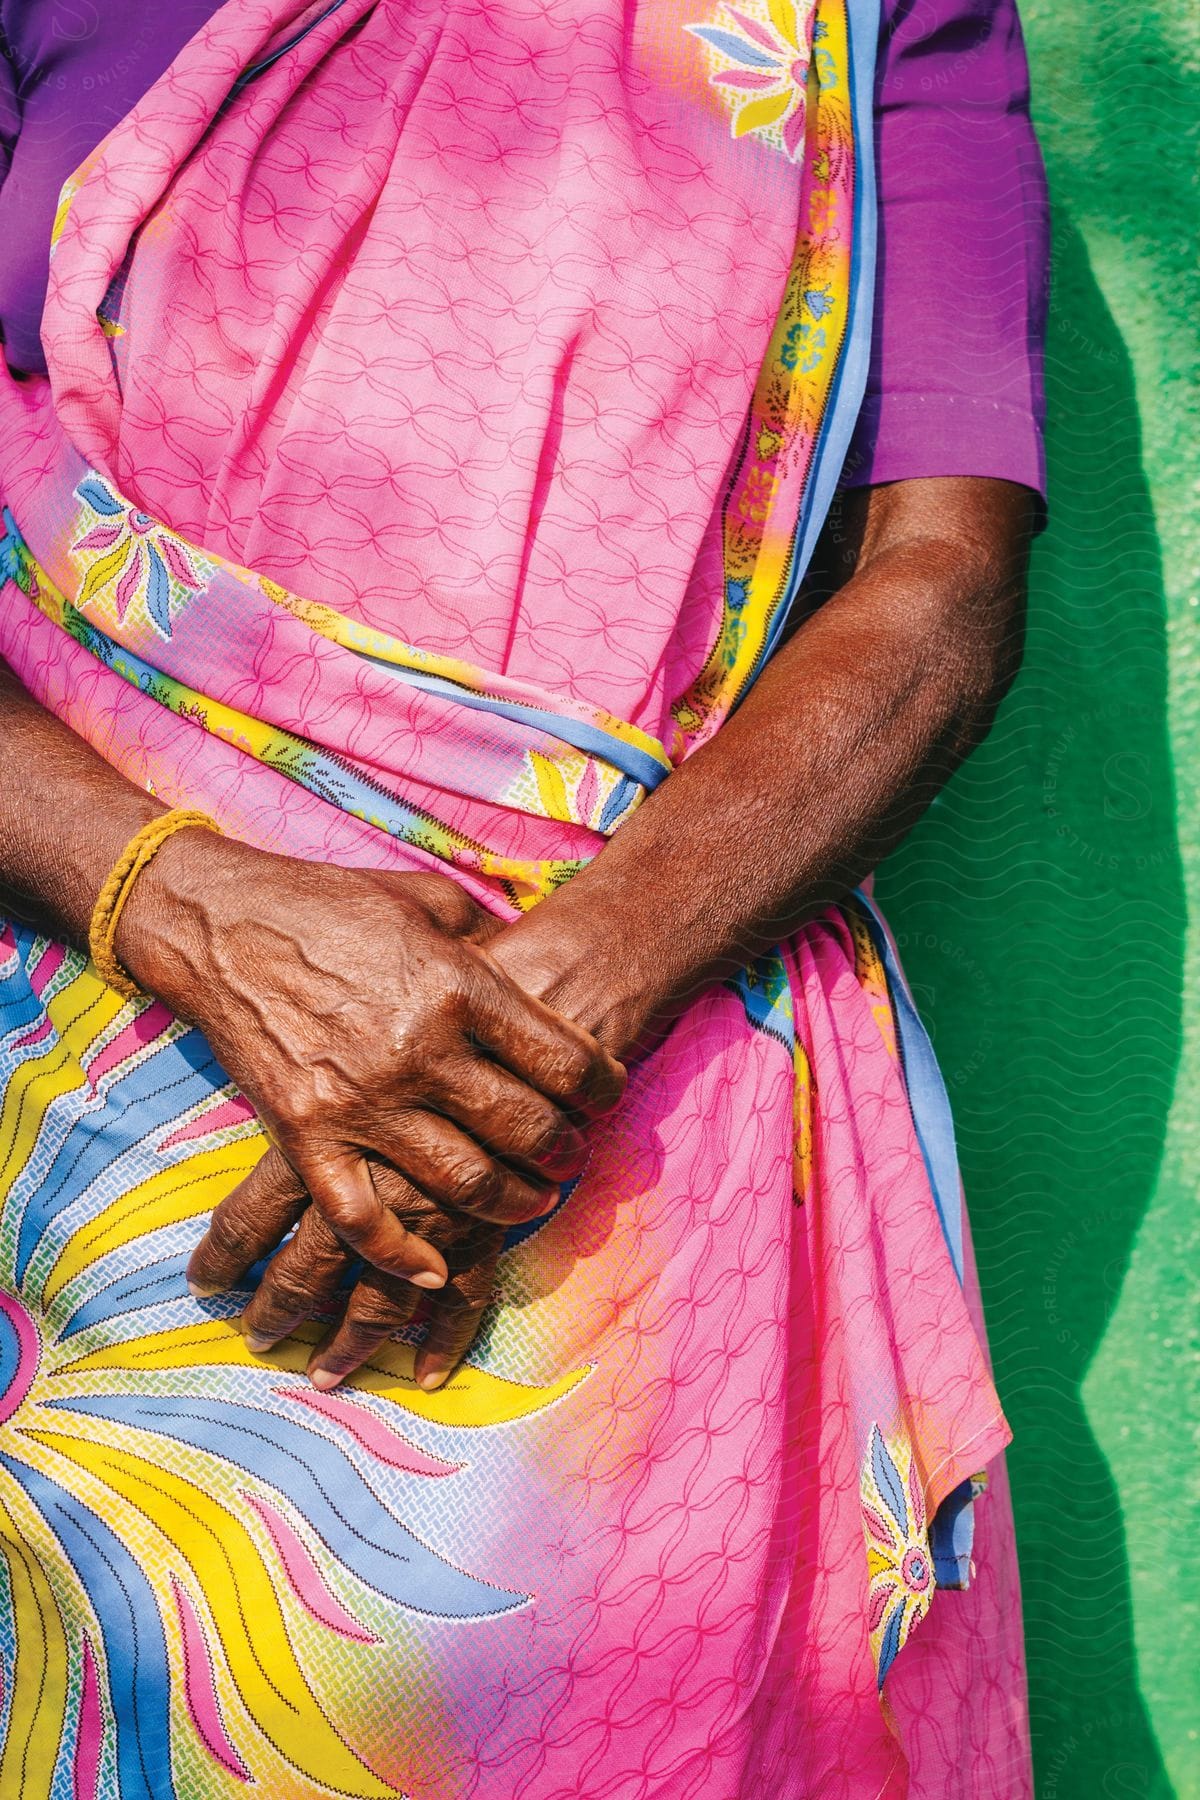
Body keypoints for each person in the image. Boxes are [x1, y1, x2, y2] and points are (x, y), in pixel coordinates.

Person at [0, 0, 1047, 1794]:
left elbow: (938, 580)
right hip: (68, 1087)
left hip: (608, 1140)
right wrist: (188, 909)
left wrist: (521, 1047)